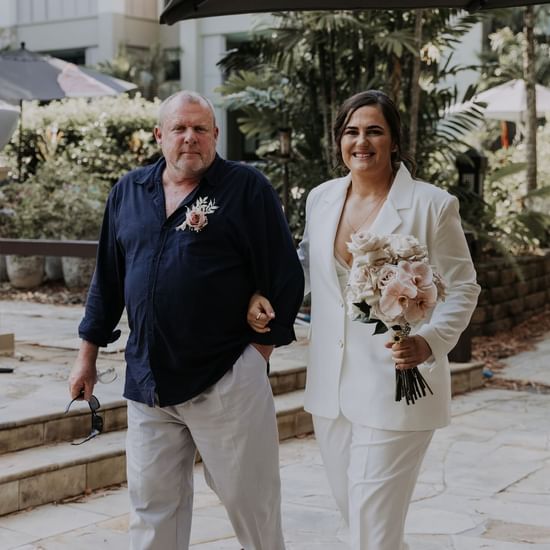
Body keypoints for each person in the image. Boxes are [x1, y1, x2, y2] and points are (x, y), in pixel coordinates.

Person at [69, 90, 304, 550]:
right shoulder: (128, 192)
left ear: (216, 134)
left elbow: (284, 274)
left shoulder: (246, 188)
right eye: (179, 129)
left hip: (224, 377)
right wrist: (86, 357)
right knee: (152, 508)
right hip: (148, 380)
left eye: (200, 129)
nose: (190, 138)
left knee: (250, 503)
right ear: (160, 136)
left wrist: (257, 356)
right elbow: (108, 282)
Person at [248, 90, 480, 549]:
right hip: (331, 390)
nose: (362, 141)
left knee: (371, 527)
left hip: (399, 384)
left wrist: (429, 341)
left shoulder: (432, 205)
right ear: (339, 140)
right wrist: (264, 297)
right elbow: (308, 270)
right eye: (352, 131)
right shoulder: (321, 198)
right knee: (361, 521)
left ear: (394, 140)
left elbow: (465, 286)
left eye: (374, 131)